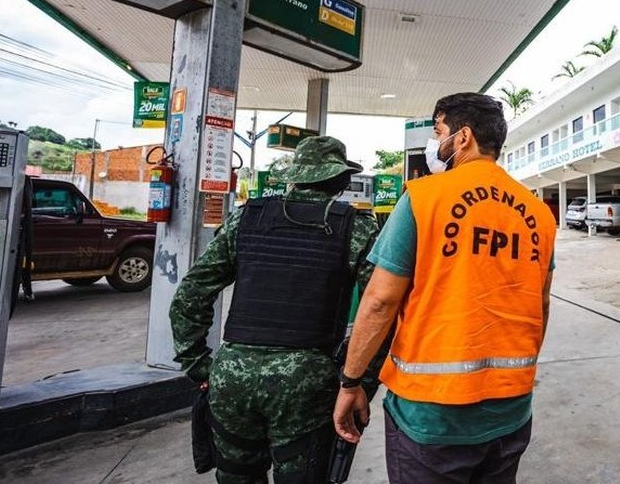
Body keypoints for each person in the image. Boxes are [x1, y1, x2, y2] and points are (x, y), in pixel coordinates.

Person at [332, 92, 557, 483]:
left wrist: (351, 381)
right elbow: (541, 304)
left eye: (439, 131)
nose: (435, 143)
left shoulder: (425, 197)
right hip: (511, 411)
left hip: (432, 415)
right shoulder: (538, 213)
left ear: (463, 137)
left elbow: (381, 301)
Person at [170, 136, 381, 483]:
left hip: (232, 376)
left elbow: (190, 294)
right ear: (341, 181)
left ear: (294, 176)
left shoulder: (246, 218)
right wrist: (358, 384)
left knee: (237, 475)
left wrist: (200, 365)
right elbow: (379, 312)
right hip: (306, 384)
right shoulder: (355, 227)